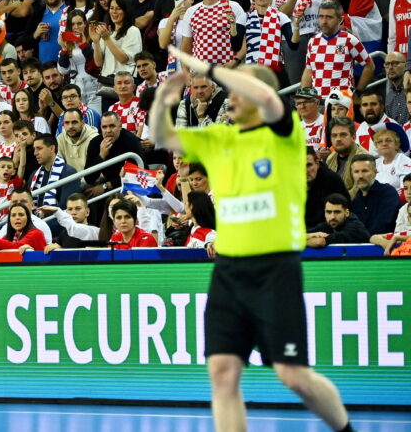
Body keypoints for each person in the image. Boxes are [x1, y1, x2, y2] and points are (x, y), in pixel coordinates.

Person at [150, 45, 355, 432]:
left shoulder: (283, 135)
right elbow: (162, 135)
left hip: (275, 268)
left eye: (237, 91)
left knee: (293, 376)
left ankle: (345, 429)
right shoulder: (218, 139)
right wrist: (164, 96)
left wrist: (209, 68)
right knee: (223, 374)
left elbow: (266, 96)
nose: (230, 97)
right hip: (229, 271)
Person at [305, 193, 370, 248]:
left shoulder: (355, 227)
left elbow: (319, 242)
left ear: (347, 213)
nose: (332, 217)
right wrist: (310, 235)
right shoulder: (327, 225)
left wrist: (303, 240)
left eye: (337, 212)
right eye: (328, 212)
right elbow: (300, 235)